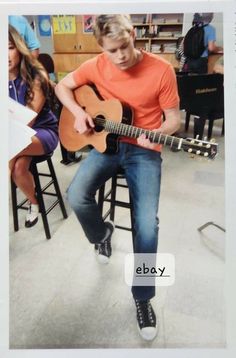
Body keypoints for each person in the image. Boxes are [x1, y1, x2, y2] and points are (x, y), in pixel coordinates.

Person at [55, 14, 180, 341]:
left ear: (133, 35)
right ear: (101, 48)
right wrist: (81, 113)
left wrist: (156, 133)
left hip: (144, 149)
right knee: (77, 195)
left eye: (125, 46)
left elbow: (174, 120)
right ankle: (103, 233)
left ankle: (143, 298)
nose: (121, 56)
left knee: (146, 224)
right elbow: (62, 86)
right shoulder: (96, 65)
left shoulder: (161, 70)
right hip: (104, 145)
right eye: (112, 50)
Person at [9, 25, 59, 227]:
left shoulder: (36, 76)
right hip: (12, 138)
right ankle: (34, 202)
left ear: (19, 48)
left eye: (9, 47)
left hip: (42, 132)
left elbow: (26, 122)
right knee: (18, 170)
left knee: (7, 149)